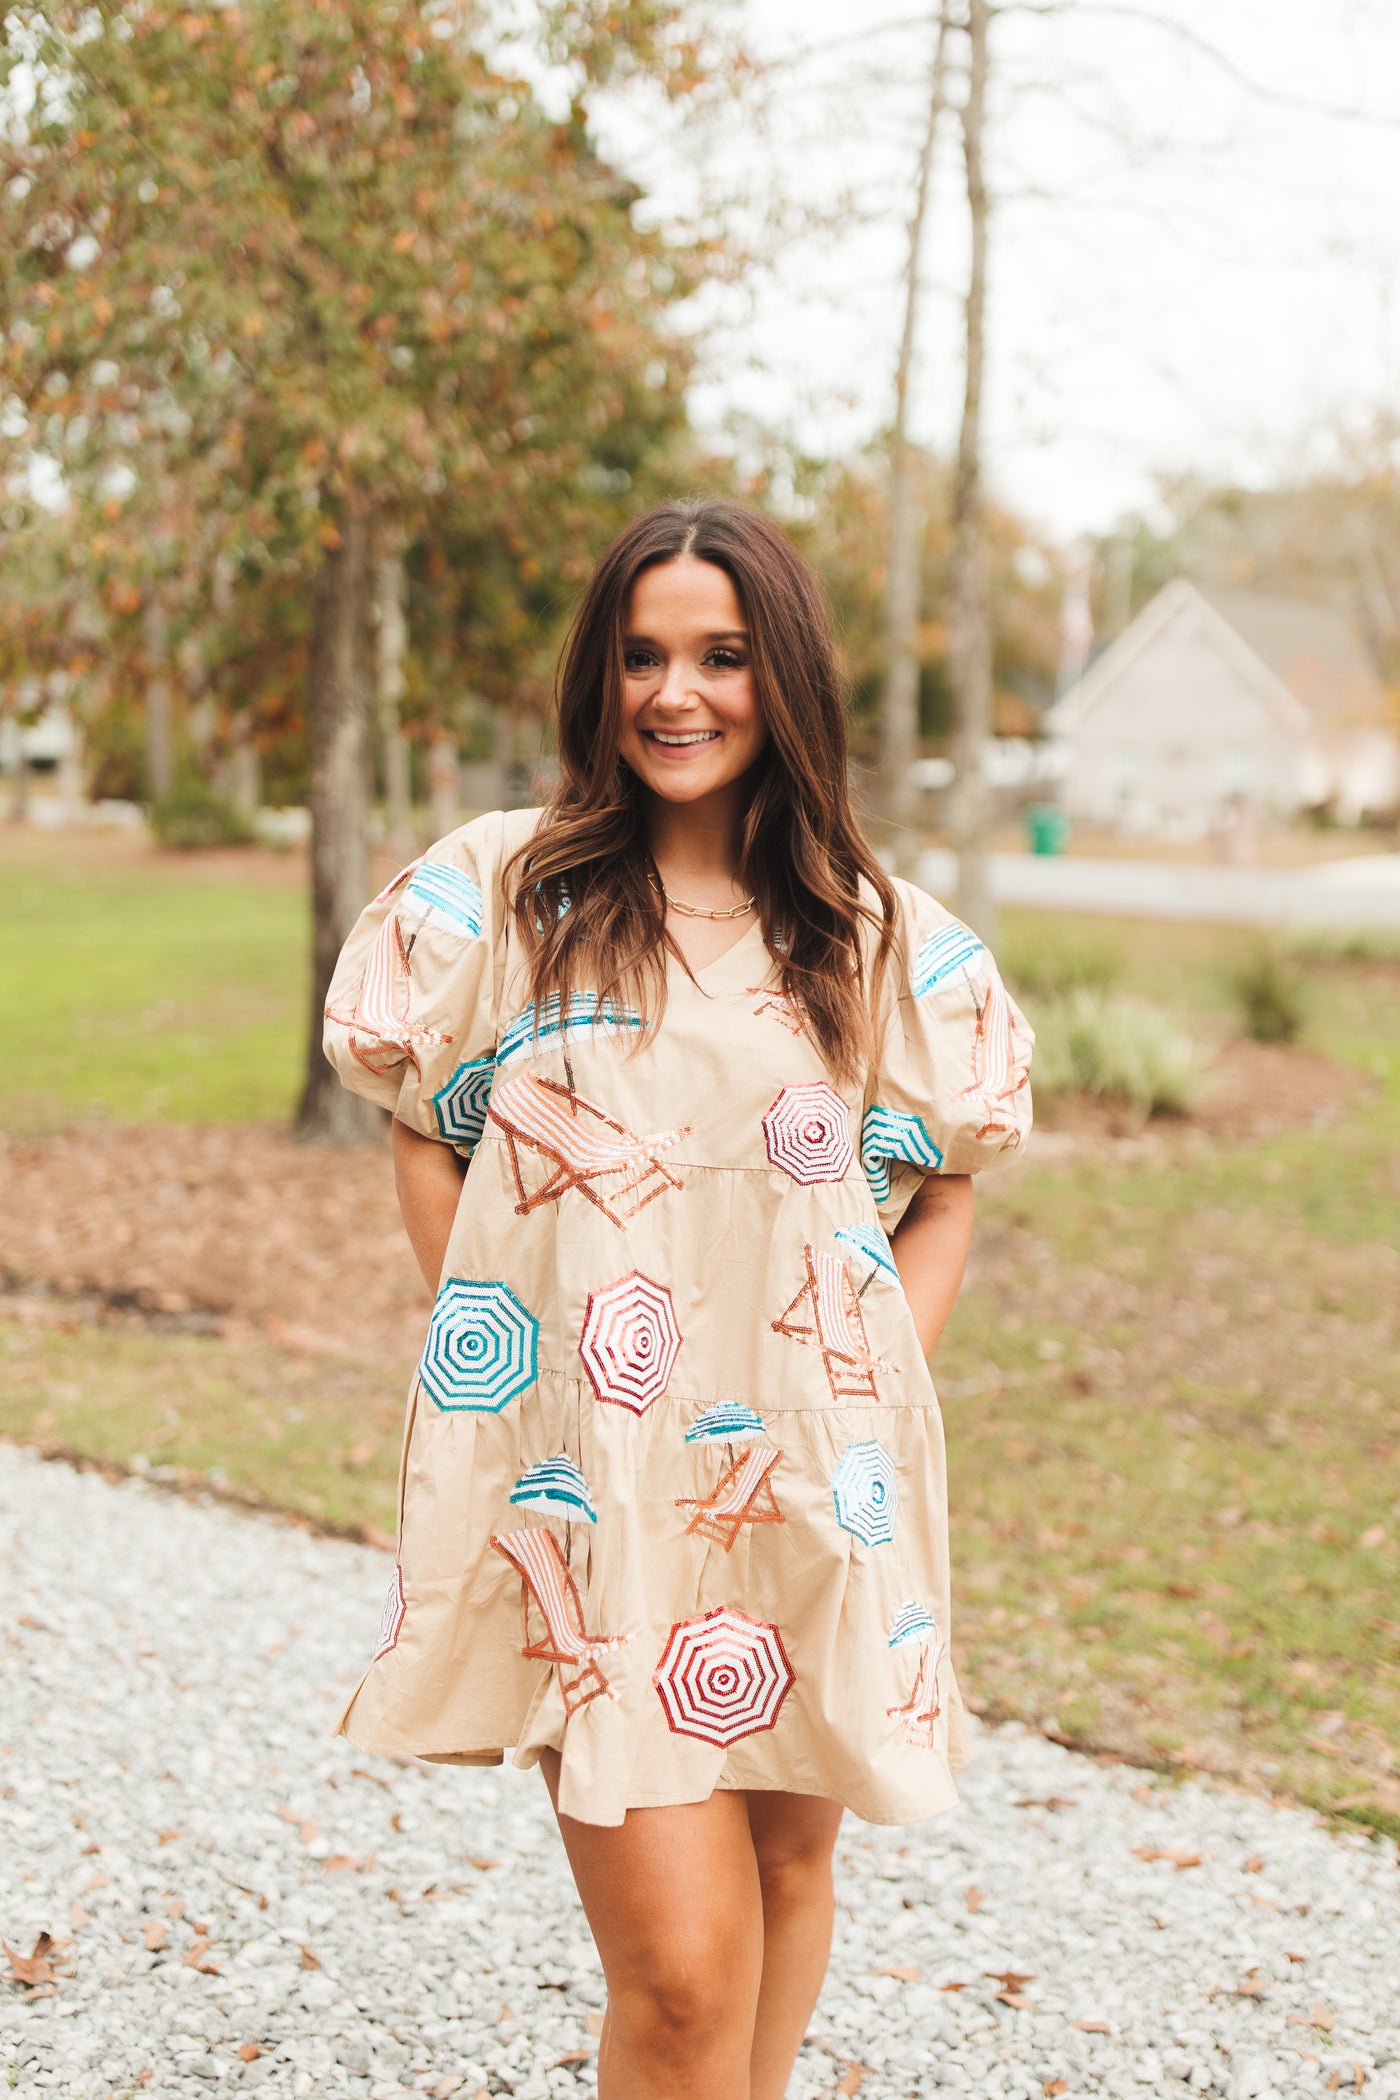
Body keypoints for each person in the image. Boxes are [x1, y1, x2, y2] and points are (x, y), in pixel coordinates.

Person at [322, 498, 1033, 2100]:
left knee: (788, 1887)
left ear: (784, 678)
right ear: (600, 679)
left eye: (721, 655)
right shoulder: (515, 896)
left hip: (808, 1499)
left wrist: (861, 1387)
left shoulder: (868, 936)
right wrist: (525, 1366)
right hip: (613, 1498)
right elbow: (425, 1128)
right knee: (685, 1978)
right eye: (642, 656)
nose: (676, 693)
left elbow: (949, 1175)